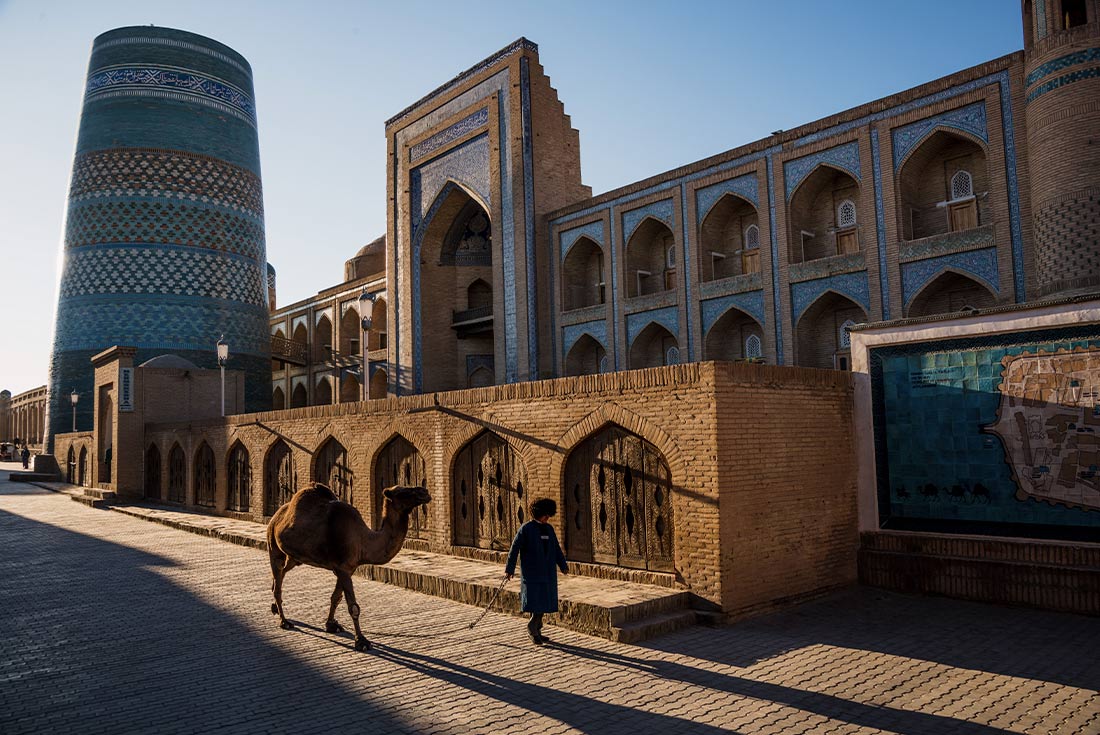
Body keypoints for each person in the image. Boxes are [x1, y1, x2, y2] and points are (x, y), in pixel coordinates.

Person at [504, 497, 568, 645]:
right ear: (538, 513)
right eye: (545, 515)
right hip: (532, 573)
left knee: (545, 601)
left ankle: (537, 629)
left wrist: (562, 564)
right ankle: (532, 627)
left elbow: (556, 549)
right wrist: (509, 569)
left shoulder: (549, 529)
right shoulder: (526, 529)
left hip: (547, 573)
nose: (547, 518)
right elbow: (514, 550)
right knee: (535, 601)